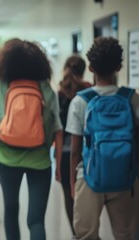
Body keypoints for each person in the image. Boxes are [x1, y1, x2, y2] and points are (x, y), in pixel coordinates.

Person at [0, 39, 63, 240]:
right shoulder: (45, 87)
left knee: (11, 210)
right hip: (39, 158)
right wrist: (58, 163)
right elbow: (56, 127)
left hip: (6, 156)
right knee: (36, 220)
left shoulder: (4, 83)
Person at [66, 37, 139, 240]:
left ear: (90, 67)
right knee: (126, 234)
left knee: (86, 234)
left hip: (89, 178)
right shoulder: (132, 98)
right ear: (119, 66)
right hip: (126, 178)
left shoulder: (81, 101)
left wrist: (73, 184)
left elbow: (75, 150)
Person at [56, 55, 91, 238]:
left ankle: (76, 234)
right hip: (87, 151)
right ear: (85, 70)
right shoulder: (90, 91)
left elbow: (58, 130)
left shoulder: (60, 92)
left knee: (69, 196)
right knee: (89, 195)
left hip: (64, 152)